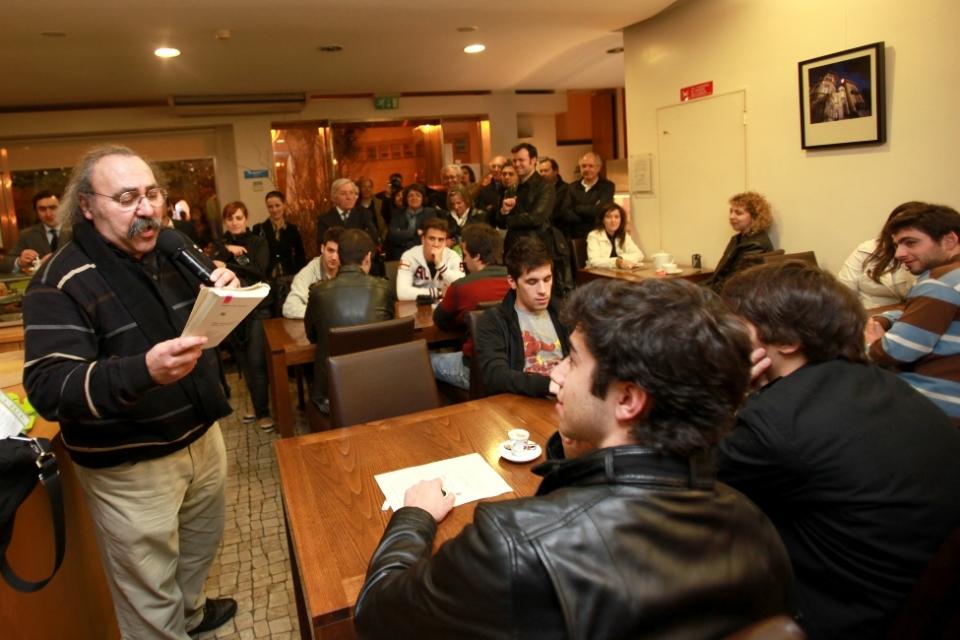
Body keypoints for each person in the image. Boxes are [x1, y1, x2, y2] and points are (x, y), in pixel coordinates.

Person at [354, 277, 794, 639]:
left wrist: (413, 516)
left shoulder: (511, 545)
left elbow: (377, 613)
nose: (555, 372)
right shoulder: (753, 526)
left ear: (627, 399)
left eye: (573, 360)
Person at [22, 144, 239, 639]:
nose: (145, 208)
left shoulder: (171, 249)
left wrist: (226, 295)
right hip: (131, 464)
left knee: (199, 546)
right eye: (125, 198)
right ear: (87, 206)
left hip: (201, 435)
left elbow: (206, 330)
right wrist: (142, 370)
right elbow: (49, 388)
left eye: (150, 194)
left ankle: (192, 615)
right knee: (149, 588)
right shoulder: (58, 281)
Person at [717, 261, 960, 638]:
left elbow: (681, 482)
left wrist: (727, 395)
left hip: (838, 616)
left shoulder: (776, 422)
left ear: (786, 342)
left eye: (734, 326)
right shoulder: (877, 381)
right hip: (915, 598)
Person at [865, 202, 960, 424]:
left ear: (950, 240)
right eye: (898, 245)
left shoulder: (939, 283)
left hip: (938, 411)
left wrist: (872, 343)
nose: (899, 253)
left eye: (911, 243)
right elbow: (923, 313)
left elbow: (895, 352)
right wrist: (886, 318)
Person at [304, 228, 394, 413]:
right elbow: (387, 332)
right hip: (378, 388)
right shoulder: (383, 289)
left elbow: (311, 335)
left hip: (332, 394)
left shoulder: (318, 292)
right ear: (368, 257)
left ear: (339, 256)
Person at [474, 237, 569, 397]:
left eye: (547, 279)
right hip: (521, 402)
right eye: (532, 282)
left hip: (565, 400)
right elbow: (495, 376)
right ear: (512, 281)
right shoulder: (493, 320)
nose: (543, 290)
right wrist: (548, 386)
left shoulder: (565, 313)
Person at [211, 201, 274, 431]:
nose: (234, 222)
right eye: (230, 219)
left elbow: (259, 271)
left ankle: (263, 412)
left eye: (238, 218)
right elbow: (210, 268)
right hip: (232, 309)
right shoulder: (220, 245)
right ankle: (257, 405)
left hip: (259, 308)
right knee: (244, 361)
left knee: (257, 362)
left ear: (246, 218)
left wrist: (230, 262)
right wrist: (226, 251)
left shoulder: (258, 241)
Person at [429, 223, 511, 390]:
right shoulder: (518, 280)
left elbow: (440, 321)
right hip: (514, 366)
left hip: (474, 370)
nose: (464, 260)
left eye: (465, 255)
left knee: (422, 360)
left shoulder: (461, 287)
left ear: (478, 257)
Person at [838, 201, 919, 309]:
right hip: (866, 314)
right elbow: (843, 293)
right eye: (895, 226)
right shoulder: (867, 249)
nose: (900, 231)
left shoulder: (929, 255)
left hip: (910, 314)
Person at [704, 191, 775, 293]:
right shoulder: (737, 239)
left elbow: (734, 283)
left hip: (733, 298)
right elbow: (719, 276)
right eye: (731, 211)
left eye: (738, 213)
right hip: (723, 291)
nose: (731, 217)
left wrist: (698, 292)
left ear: (754, 217)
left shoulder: (756, 245)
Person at [396, 217, 464, 301]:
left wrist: (441, 266)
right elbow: (402, 293)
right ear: (423, 239)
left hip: (444, 308)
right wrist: (438, 292)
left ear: (446, 242)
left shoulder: (452, 256)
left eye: (441, 240)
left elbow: (462, 286)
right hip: (416, 307)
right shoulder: (409, 256)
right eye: (432, 239)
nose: (436, 244)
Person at [282, 226, 342, 319]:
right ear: (322, 248)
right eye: (330, 250)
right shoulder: (308, 272)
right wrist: (324, 313)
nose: (334, 257)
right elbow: (289, 307)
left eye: (338, 252)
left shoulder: (348, 267)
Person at [1, 190, 67, 274]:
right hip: (42, 284)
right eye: (42, 209)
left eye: (53, 208)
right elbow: (4, 264)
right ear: (36, 212)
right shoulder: (27, 235)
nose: (48, 214)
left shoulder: (76, 230)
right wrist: (20, 262)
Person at [252, 190, 306, 279]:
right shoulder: (258, 229)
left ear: (284, 205)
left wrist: (301, 276)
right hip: (267, 277)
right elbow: (255, 255)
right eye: (270, 207)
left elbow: (300, 255)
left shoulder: (292, 229)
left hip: (290, 276)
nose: (274, 210)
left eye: (277, 205)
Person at [565, 151, 616, 240]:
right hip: (576, 237)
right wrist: (590, 213)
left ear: (598, 168)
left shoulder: (607, 187)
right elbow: (566, 211)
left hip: (599, 236)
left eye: (591, 166)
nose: (587, 169)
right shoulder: (571, 187)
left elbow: (601, 210)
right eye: (583, 166)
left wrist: (576, 208)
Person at [317, 178, 379, 247]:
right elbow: (322, 246)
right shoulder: (324, 220)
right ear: (334, 197)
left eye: (351, 193)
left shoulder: (365, 214)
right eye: (343, 194)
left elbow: (373, 240)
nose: (349, 197)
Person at [585, 202, 644, 269]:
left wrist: (621, 259)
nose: (613, 220)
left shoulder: (623, 235)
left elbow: (639, 254)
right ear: (602, 220)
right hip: (597, 275)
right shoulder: (593, 235)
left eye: (616, 217)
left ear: (621, 220)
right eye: (608, 217)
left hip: (618, 274)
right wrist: (616, 262)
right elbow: (594, 261)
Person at [386, 184, 436, 260]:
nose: (414, 198)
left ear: (423, 198)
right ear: (406, 198)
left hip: (422, 254)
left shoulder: (429, 213)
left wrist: (403, 235)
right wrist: (415, 232)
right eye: (410, 196)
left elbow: (429, 235)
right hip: (399, 255)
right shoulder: (397, 213)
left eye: (418, 195)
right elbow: (392, 235)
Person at [439, 185, 487, 250]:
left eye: (459, 203)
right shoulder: (446, 217)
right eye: (453, 204)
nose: (456, 207)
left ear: (466, 200)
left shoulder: (479, 216)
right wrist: (445, 242)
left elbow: (483, 240)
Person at [356, 176, 388, 242]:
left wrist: (382, 238)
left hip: (379, 240)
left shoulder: (379, 203)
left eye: (369, 187)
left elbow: (385, 223)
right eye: (364, 187)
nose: (367, 189)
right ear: (359, 188)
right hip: (361, 240)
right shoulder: (355, 205)